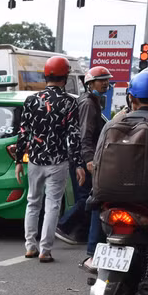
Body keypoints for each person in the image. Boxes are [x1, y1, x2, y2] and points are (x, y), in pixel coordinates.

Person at [81, 69, 148, 295]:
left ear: (131, 97)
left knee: (104, 236)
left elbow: (96, 163)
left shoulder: (113, 123)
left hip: (110, 206)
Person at [15, 56, 87, 263]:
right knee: (53, 204)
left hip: (35, 160)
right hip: (58, 161)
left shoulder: (31, 101)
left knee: (32, 202)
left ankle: (30, 246)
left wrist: (19, 160)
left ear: (45, 76)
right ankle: (45, 250)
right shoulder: (69, 102)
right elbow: (73, 136)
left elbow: (23, 132)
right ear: (65, 77)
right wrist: (79, 164)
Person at [56, 67, 112, 245]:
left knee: (89, 196)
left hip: (86, 157)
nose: (105, 83)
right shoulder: (88, 103)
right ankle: (63, 226)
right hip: (82, 158)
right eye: (101, 80)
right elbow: (84, 134)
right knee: (86, 197)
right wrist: (88, 159)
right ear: (90, 84)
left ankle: (79, 233)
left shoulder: (94, 101)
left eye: (106, 79)